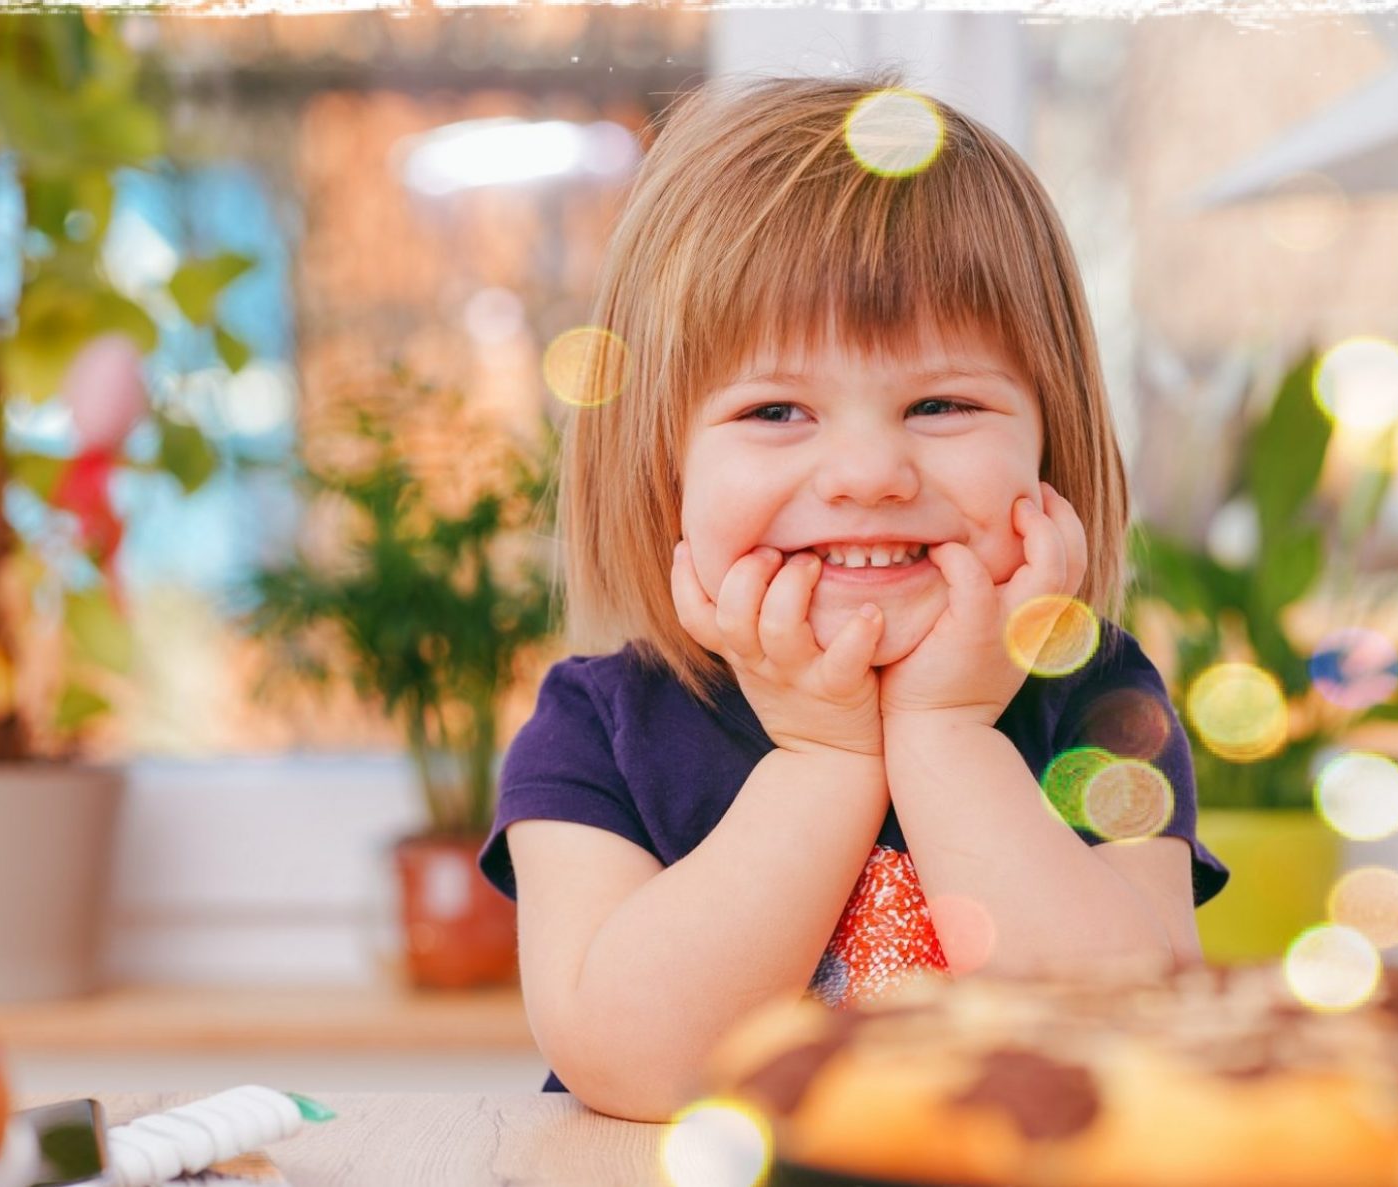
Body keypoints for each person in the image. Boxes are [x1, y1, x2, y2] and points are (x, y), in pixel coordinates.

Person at [476, 72, 1230, 1123]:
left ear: (1048, 445)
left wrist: (947, 736)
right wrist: (824, 757)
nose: (868, 471)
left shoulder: (1094, 697)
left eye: (940, 402)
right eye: (777, 408)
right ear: (662, 469)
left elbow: (1126, 1052)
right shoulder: (597, 727)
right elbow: (635, 1065)